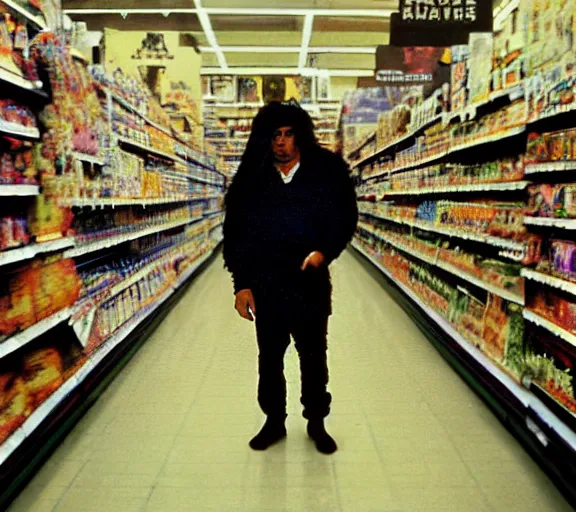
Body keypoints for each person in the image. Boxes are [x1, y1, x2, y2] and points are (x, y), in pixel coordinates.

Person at [222, 101, 358, 455]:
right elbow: (236, 235)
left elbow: (346, 217)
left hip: (309, 283)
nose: (281, 142)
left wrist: (324, 251)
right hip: (267, 284)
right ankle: (273, 421)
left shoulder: (326, 173)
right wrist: (243, 285)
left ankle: (316, 422)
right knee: (269, 357)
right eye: (274, 135)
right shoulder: (252, 179)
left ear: (300, 136)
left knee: (313, 356)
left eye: (287, 134)